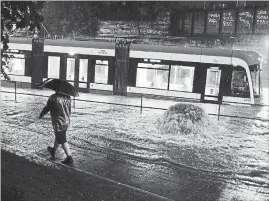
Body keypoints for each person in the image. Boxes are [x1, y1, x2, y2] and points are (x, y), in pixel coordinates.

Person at [39, 90, 73, 165]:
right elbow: (69, 110)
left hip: (58, 123)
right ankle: (53, 150)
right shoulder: (68, 97)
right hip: (67, 121)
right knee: (58, 136)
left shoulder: (53, 98)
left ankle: (69, 158)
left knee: (62, 139)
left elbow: (47, 108)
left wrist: (41, 114)